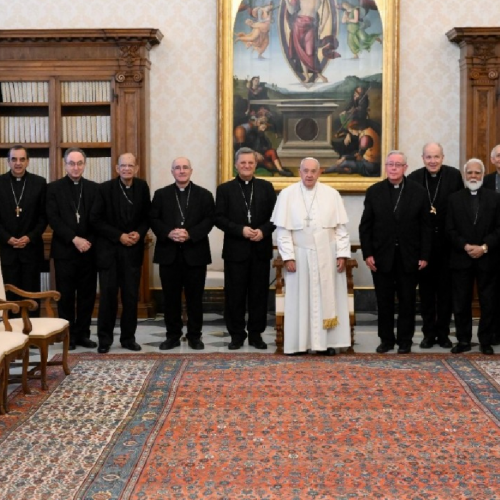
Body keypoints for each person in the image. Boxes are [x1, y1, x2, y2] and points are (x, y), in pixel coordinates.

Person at [271, 157, 351, 355]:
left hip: (327, 254)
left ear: (319, 172)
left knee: (328, 299)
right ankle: (299, 344)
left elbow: (341, 229)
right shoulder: (287, 194)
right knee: (299, 301)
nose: (309, 175)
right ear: (300, 172)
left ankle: (325, 344)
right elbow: (283, 231)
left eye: (313, 171)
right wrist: (288, 257)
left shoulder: (332, 194)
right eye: (305, 171)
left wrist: (342, 254)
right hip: (299, 255)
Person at [359, 150, 432, 354]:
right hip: (381, 257)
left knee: (408, 301)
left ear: (405, 168)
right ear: (385, 167)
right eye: (390, 164)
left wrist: (424, 255)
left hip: (409, 257)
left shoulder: (418, 192)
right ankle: (386, 340)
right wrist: (368, 254)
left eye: (397, 165)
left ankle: (405, 340)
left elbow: (426, 227)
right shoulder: (374, 191)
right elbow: (365, 226)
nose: (393, 168)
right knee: (384, 301)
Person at [150, 157, 215, 351]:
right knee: (170, 299)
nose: (181, 171)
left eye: (185, 167)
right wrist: (169, 233)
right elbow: (153, 219)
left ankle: (195, 336)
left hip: (195, 253)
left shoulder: (204, 194)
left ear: (191, 171)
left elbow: (210, 219)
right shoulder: (161, 194)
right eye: (177, 168)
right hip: (168, 254)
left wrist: (190, 234)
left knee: (195, 298)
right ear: (172, 171)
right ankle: (172, 336)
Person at [215, 147, 276, 350]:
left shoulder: (266, 187)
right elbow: (219, 218)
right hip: (235, 251)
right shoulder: (225, 189)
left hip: (260, 249)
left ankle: (256, 335)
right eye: (243, 163)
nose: (247, 166)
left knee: (259, 295)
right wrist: (240, 230)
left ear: (255, 165)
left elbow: (276, 217)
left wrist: (263, 231)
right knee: (235, 295)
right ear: (236, 165)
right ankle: (236, 335)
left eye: (250, 163)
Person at [90, 153, 151, 353]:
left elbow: (147, 217)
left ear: (136, 168)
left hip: (132, 251)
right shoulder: (104, 188)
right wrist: (119, 236)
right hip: (109, 252)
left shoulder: (142, 187)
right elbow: (96, 220)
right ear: (117, 168)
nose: (127, 169)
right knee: (108, 298)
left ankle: (128, 338)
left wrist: (139, 233)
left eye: (130, 165)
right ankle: (105, 340)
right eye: (123, 165)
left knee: (131, 298)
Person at [407, 142, 463, 349]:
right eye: (429, 157)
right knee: (427, 293)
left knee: (446, 293)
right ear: (423, 158)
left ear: (442, 157)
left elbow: (460, 207)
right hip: (424, 247)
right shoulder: (414, 178)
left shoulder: (454, 176)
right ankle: (428, 334)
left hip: (448, 245)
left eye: (436, 157)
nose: (432, 161)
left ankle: (443, 333)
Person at [46, 147, 99, 350]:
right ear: (65, 165)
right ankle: (68, 336)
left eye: (79, 163)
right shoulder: (53, 188)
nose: (75, 167)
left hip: (88, 250)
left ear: (84, 165)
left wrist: (86, 241)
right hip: (65, 250)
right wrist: (74, 239)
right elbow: (53, 219)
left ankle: (83, 334)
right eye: (71, 163)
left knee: (87, 295)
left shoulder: (94, 188)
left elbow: (97, 219)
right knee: (66, 295)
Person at [446, 158, 500, 355]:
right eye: (470, 172)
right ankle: (463, 340)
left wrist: (484, 247)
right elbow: (449, 229)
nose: (473, 176)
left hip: (488, 258)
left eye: (477, 172)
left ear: (483, 175)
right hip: (461, 258)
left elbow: (499, 229)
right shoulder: (454, 199)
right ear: (464, 175)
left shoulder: (495, 198)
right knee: (461, 303)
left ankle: (485, 341)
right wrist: (466, 246)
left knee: (488, 302)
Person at [0, 145, 47, 303]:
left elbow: (43, 217)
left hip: (31, 250)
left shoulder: (39, 183)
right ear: (8, 161)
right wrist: (7, 238)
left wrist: (29, 237)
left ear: (28, 161)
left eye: (22, 159)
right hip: (6, 251)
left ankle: (33, 321)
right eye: (14, 159)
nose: (18, 163)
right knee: (9, 299)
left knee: (31, 297)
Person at [283, 0, 330, 83]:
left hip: (311, 24)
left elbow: (326, 12)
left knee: (310, 52)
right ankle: (307, 77)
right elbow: (292, 10)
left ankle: (319, 75)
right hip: (298, 23)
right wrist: (286, 1)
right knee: (300, 51)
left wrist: (322, 26)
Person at [483, 144, 500, 345]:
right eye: (499, 156)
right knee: (492, 292)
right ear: (493, 160)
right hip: (492, 244)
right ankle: (493, 332)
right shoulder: (486, 181)